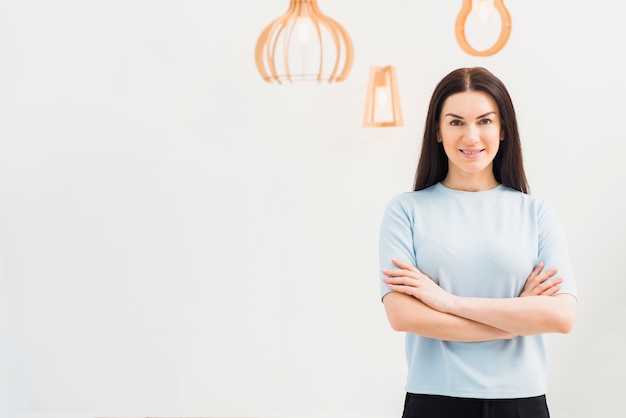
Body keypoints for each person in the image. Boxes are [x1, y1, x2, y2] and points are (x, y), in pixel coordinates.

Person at [378, 67, 577, 418]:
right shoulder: (406, 211)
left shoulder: (536, 213)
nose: (471, 136)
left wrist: (444, 301)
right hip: (433, 400)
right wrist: (517, 317)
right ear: (437, 132)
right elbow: (403, 315)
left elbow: (560, 316)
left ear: (503, 130)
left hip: (521, 401)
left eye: (484, 121)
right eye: (456, 122)